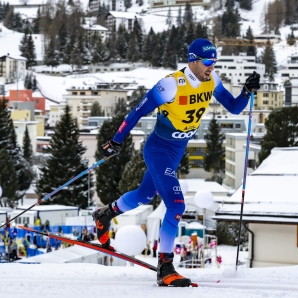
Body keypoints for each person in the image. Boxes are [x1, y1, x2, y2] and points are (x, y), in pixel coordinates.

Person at [92, 38, 260, 287]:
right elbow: (137, 111)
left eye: (214, 62)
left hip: (176, 151)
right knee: (177, 205)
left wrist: (246, 91)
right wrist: (116, 141)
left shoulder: (211, 80)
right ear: (193, 61)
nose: (211, 67)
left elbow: (234, 108)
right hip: (158, 149)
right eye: (207, 62)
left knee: (143, 195)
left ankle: (105, 214)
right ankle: (165, 266)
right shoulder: (170, 85)